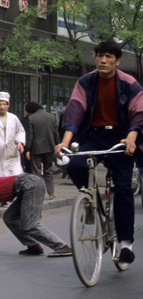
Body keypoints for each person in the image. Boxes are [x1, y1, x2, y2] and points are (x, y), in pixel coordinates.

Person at [55, 38, 143, 264]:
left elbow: (139, 112)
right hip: (94, 136)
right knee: (74, 164)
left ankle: (125, 243)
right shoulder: (85, 81)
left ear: (117, 61)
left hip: (121, 137)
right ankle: (91, 203)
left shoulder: (129, 83)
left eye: (108, 58)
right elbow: (74, 110)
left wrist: (133, 135)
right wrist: (65, 141)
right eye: (99, 56)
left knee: (123, 188)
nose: (103, 61)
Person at [0, 173, 72, 257]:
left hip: (29, 185)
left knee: (30, 224)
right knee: (10, 218)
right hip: (26, 185)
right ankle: (33, 247)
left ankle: (62, 247)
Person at [0, 91, 26, 206]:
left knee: (15, 175)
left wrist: (20, 143)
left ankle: (13, 196)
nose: (2, 106)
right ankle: (3, 199)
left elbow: (20, 132)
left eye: (4, 104)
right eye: (0, 104)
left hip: (12, 153)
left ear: (8, 105)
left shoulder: (14, 118)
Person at [24, 101, 59, 199]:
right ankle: (51, 192)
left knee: (36, 172)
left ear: (31, 111)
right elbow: (56, 133)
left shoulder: (31, 119)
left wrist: (28, 149)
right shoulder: (52, 117)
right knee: (48, 170)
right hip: (49, 147)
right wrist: (57, 145)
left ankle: (38, 192)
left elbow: (30, 136)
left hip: (36, 149)